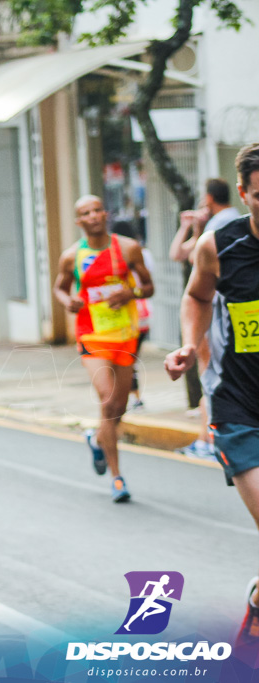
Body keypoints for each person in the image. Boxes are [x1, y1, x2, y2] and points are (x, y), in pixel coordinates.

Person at [163, 143, 259, 650]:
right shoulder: (219, 245)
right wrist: (188, 343)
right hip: (240, 407)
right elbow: (197, 296)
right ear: (244, 194)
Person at [53, 195, 154, 502]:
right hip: (92, 335)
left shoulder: (127, 248)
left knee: (118, 408)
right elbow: (60, 286)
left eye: (97, 209)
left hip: (124, 335)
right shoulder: (72, 256)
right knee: (108, 401)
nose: (94, 215)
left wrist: (131, 292)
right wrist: (67, 301)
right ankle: (117, 478)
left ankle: (97, 440)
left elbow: (149, 286)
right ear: (78, 221)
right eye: (86, 212)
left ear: (106, 214)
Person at [169, 178, 241, 459]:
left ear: (209, 199)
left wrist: (192, 227)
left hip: (216, 311)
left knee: (209, 372)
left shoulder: (218, 227)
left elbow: (184, 256)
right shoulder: (234, 221)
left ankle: (209, 439)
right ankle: (205, 438)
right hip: (214, 307)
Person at [111, 220, 154, 411]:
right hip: (143, 312)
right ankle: (133, 398)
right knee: (130, 358)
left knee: (126, 359)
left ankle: (129, 399)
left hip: (127, 313)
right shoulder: (146, 254)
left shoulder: (120, 255)